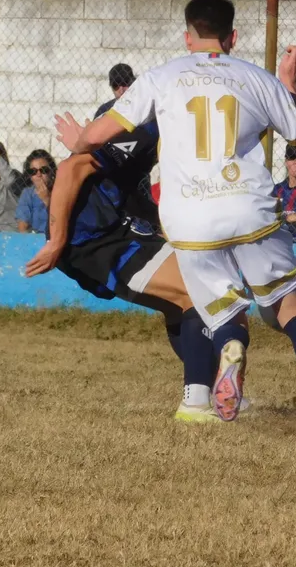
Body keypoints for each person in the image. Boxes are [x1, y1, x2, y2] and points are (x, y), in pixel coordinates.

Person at [63, 0, 296, 436]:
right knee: (291, 307)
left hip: (190, 218)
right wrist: (289, 84)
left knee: (223, 313)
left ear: (187, 36)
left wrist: (80, 139)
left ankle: (232, 350)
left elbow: (99, 135)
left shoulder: (161, 77)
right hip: (249, 208)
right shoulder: (256, 79)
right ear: (233, 36)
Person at [25, 118, 231, 423]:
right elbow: (71, 169)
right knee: (195, 291)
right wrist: (56, 241)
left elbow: (122, 184)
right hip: (92, 240)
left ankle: (215, 394)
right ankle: (196, 403)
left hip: (115, 233)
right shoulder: (150, 131)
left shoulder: (171, 137)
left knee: (178, 307)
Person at [16, 150, 56, 234]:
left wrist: (47, 200)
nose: (38, 174)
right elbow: (22, 226)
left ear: (51, 172)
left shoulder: (59, 191)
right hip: (35, 238)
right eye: (33, 171)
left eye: (44, 170)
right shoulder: (28, 194)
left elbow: (59, 222)